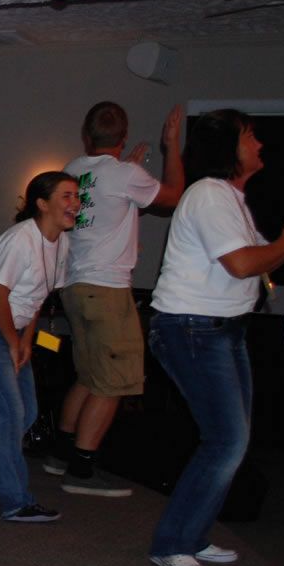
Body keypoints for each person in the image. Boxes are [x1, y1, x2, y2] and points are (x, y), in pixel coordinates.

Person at [147, 109, 284, 566]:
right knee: (226, 440)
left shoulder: (231, 199)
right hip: (192, 327)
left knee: (232, 441)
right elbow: (242, 264)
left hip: (220, 329)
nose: (259, 144)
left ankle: (193, 536)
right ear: (227, 147)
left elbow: (258, 264)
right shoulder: (208, 194)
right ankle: (172, 543)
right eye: (249, 137)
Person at [47, 102, 185, 497]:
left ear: (86, 135)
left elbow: (105, 205)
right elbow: (173, 197)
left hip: (75, 286)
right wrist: (171, 146)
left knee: (89, 376)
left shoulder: (72, 170)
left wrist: (127, 168)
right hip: (107, 288)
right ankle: (82, 469)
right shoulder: (125, 175)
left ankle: (61, 454)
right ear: (123, 138)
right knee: (114, 383)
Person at [0, 172, 80, 522]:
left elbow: (37, 298)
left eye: (76, 196)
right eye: (66, 196)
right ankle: (16, 501)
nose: (75, 204)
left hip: (11, 329)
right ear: (42, 203)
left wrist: (25, 341)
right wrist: (13, 342)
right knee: (11, 412)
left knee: (26, 412)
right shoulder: (21, 239)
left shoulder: (62, 243)